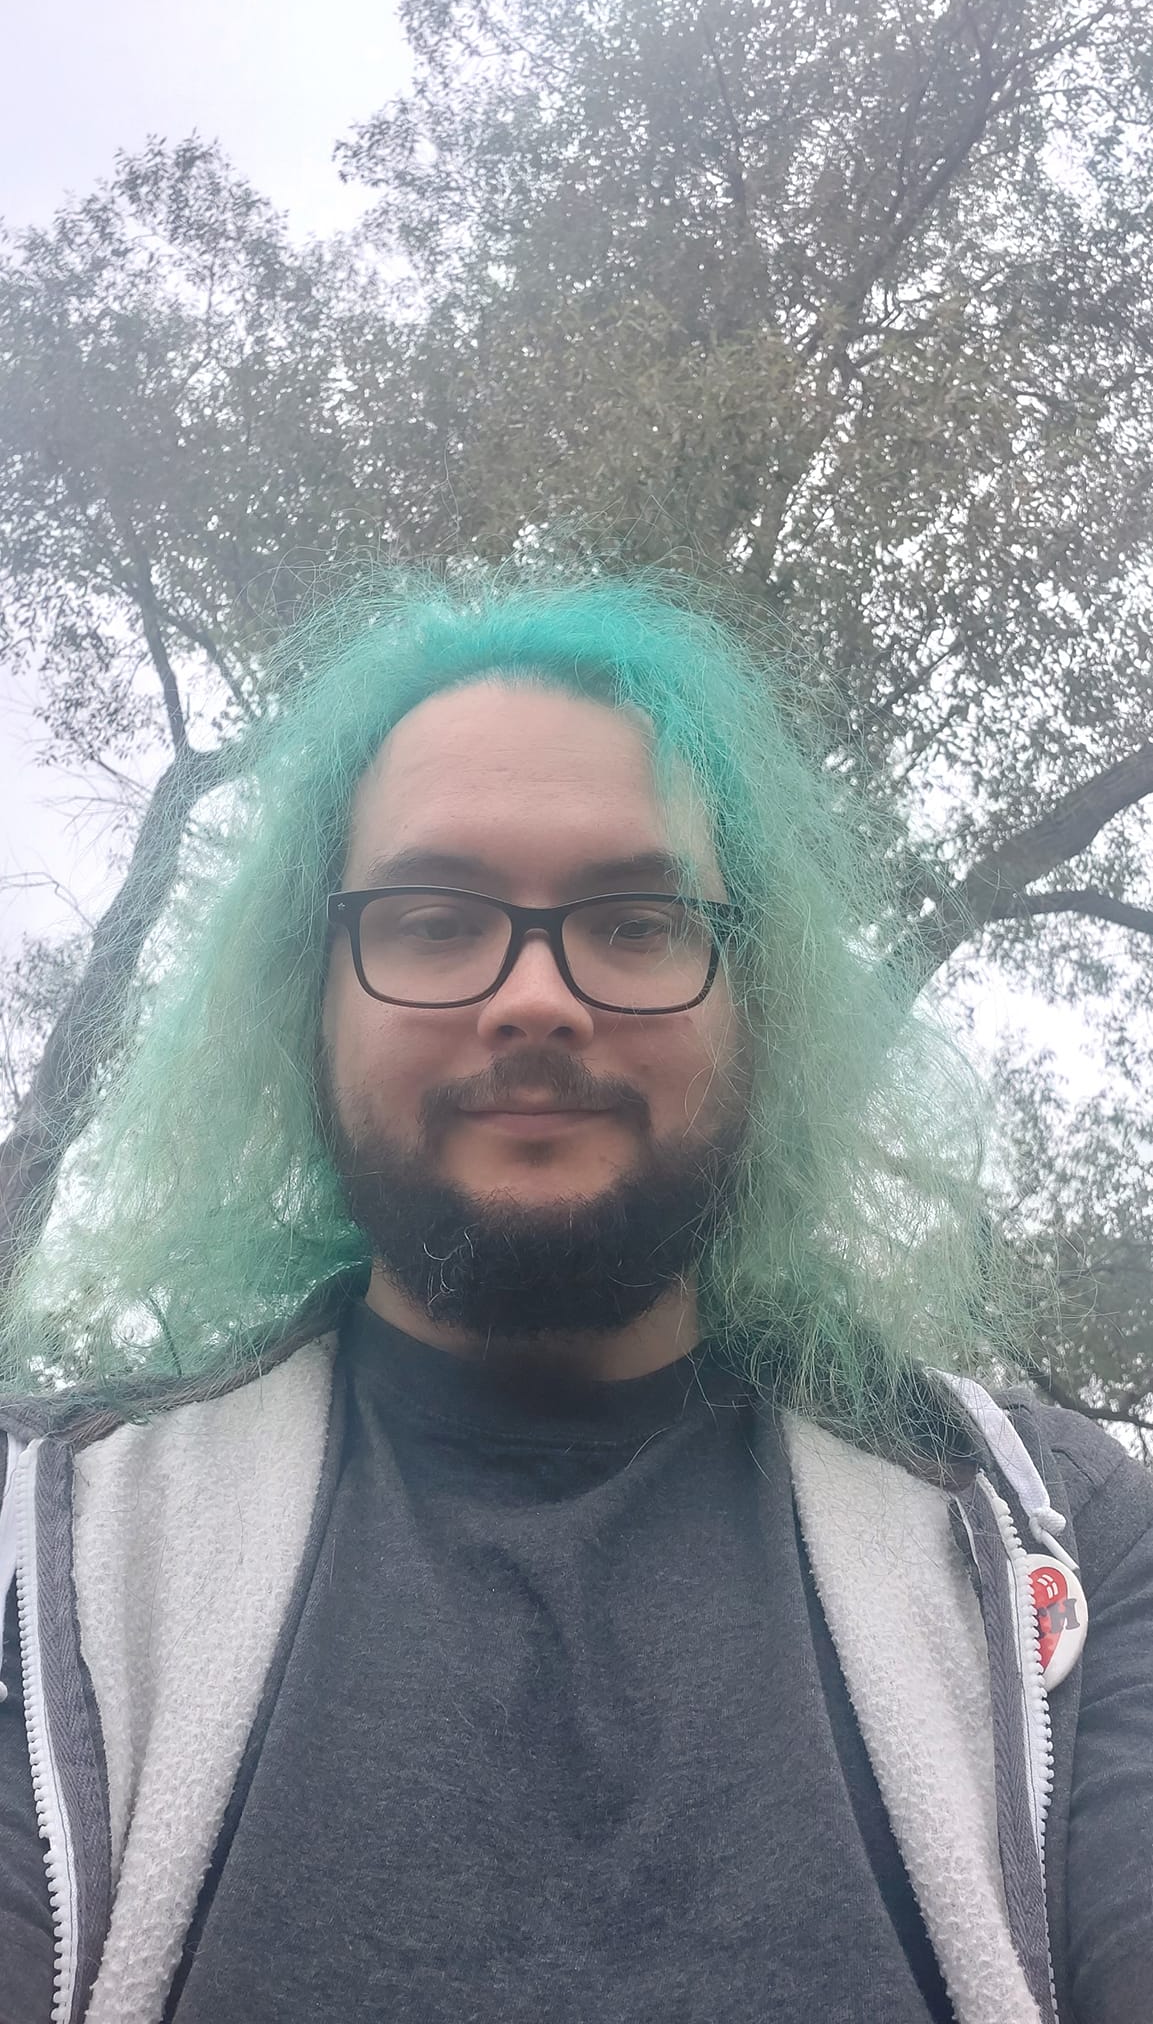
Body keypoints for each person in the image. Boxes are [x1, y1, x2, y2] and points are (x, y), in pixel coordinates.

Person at [0, 575, 1149, 2024]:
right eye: (429, 920)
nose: (535, 998)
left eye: (633, 921)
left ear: (757, 1007)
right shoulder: (40, 1545)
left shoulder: (1053, 1535)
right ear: (309, 1003)